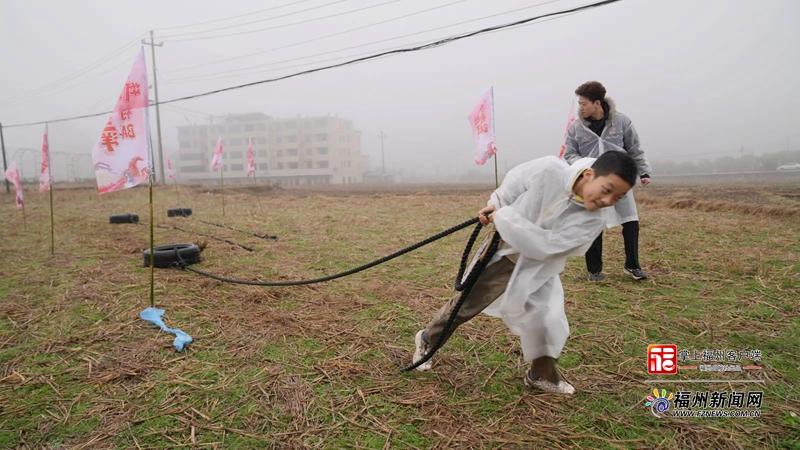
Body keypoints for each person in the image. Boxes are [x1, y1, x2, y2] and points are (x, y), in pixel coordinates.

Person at [412, 151, 638, 394]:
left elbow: (548, 246)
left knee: (547, 320)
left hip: (540, 268)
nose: (608, 200)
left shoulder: (593, 220)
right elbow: (516, 182)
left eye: (618, 197)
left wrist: (504, 218)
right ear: (588, 174)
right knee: (465, 305)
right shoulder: (550, 170)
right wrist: (496, 204)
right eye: (607, 189)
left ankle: (542, 376)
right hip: (504, 253)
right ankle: (427, 340)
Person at [564, 81, 653, 281]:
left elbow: (634, 148)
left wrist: (644, 172)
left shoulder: (621, 122)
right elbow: (569, 154)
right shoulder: (576, 128)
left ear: (597, 103)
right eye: (579, 103)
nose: (580, 107)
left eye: (583, 103)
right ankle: (594, 271)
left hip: (619, 178)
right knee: (593, 223)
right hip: (593, 182)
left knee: (630, 221)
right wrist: (584, 166)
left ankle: (632, 266)